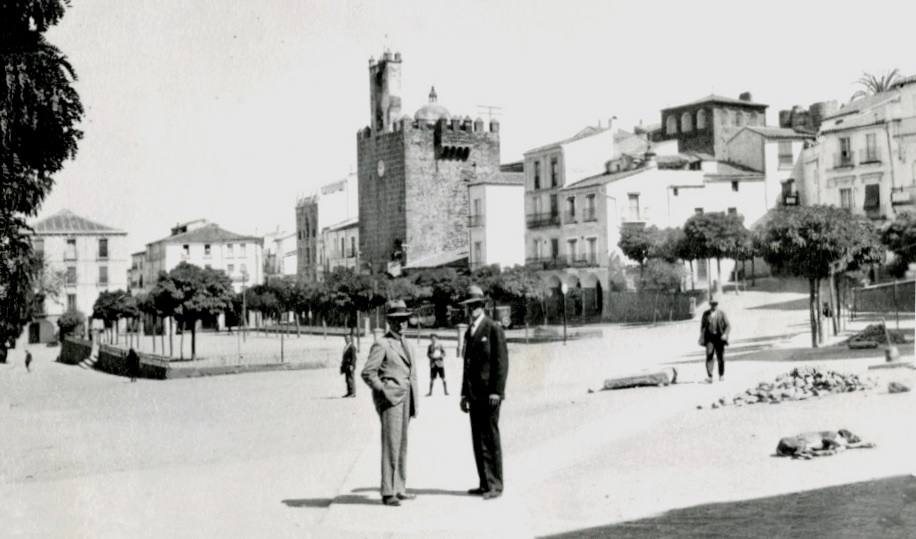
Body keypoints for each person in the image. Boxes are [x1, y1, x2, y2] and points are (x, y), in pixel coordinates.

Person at [361, 300, 419, 507]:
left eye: (404, 320)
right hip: (391, 401)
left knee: (402, 444)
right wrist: (384, 390)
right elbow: (368, 372)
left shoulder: (407, 344)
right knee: (390, 445)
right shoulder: (382, 344)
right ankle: (387, 491)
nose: (402, 324)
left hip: (406, 399)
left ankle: (399, 487)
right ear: (390, 322)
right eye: (397, 321)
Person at [460, 285, 508, 500]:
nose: (472, 310)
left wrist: (497, 391)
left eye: (476, 305)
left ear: (483, 306)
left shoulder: (492, 329)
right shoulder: (470, 332)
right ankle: (484, 482)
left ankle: (495, 485)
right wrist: (463, 394)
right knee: (477, 439)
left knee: (490, 438)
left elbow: (501, 363)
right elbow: (467, 365)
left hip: (489, 395)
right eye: (469, 306)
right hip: (473, 394)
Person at [699, 294, 730, 383]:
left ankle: (721, 375)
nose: (714, 306)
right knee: (709, 355)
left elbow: (728, 325)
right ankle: (710, 376)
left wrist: (725, 334)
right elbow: (702, 326)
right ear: (710, 304)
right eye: (712, 304)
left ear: (717, 304)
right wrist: (702, 335)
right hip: (710, 338)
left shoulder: (722, 313)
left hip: (719, 338)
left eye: (715, 304)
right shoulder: (705, 314)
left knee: (720, 357)